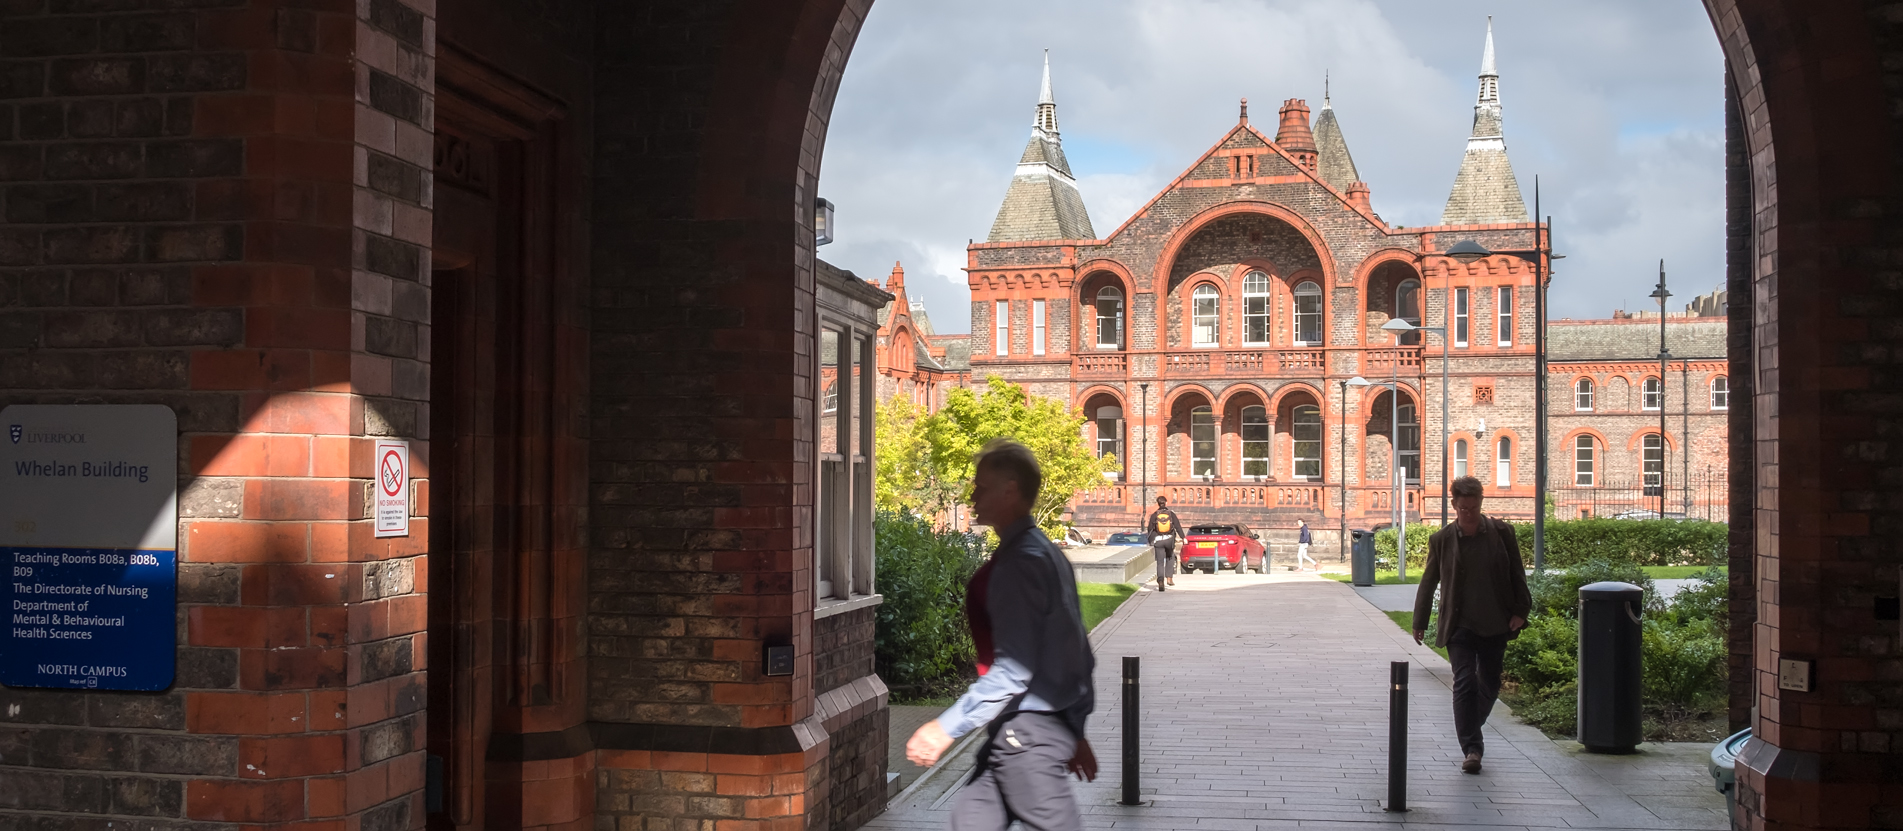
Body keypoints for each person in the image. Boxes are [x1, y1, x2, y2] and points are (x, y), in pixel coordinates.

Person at [906, 439, 1097, 831]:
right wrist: (1075, 731)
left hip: (1026, 740)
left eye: (981, 486)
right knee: (970, 821)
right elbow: (1079, 652)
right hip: (1018, 735)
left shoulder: (1019, 565)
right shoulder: (1048, 553)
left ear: (1010, 490)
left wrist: (944, 727)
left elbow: (1013, 669)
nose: (972, 495)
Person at [1411, 475, 1531, 774]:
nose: (1468, 514)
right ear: (1454, 505)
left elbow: (1517, 574)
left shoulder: (1502, 533)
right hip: (1459, 624)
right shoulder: (1442, 540)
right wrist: (1419, 621)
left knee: (1489, 683)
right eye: (1463, 508)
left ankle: (1466, 723)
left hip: (1495, 621)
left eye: (1473, 508)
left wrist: (1520, 611)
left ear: (1480, 503)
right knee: (1464, 682)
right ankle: (1472, 749)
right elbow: (1428, 582)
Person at [1145, 495, 1183, 590]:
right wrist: (1183, 537)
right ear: (1166, 503)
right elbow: (1178, 526)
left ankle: (1160, 581)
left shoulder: (1154, 515)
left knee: (1160, 562)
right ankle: (1169, 578)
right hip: (1169, 540)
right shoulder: (1171, 514)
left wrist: (1150, 540)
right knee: (1170, 557)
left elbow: (1150, 529)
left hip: (1158, 541)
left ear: (1158, 504)